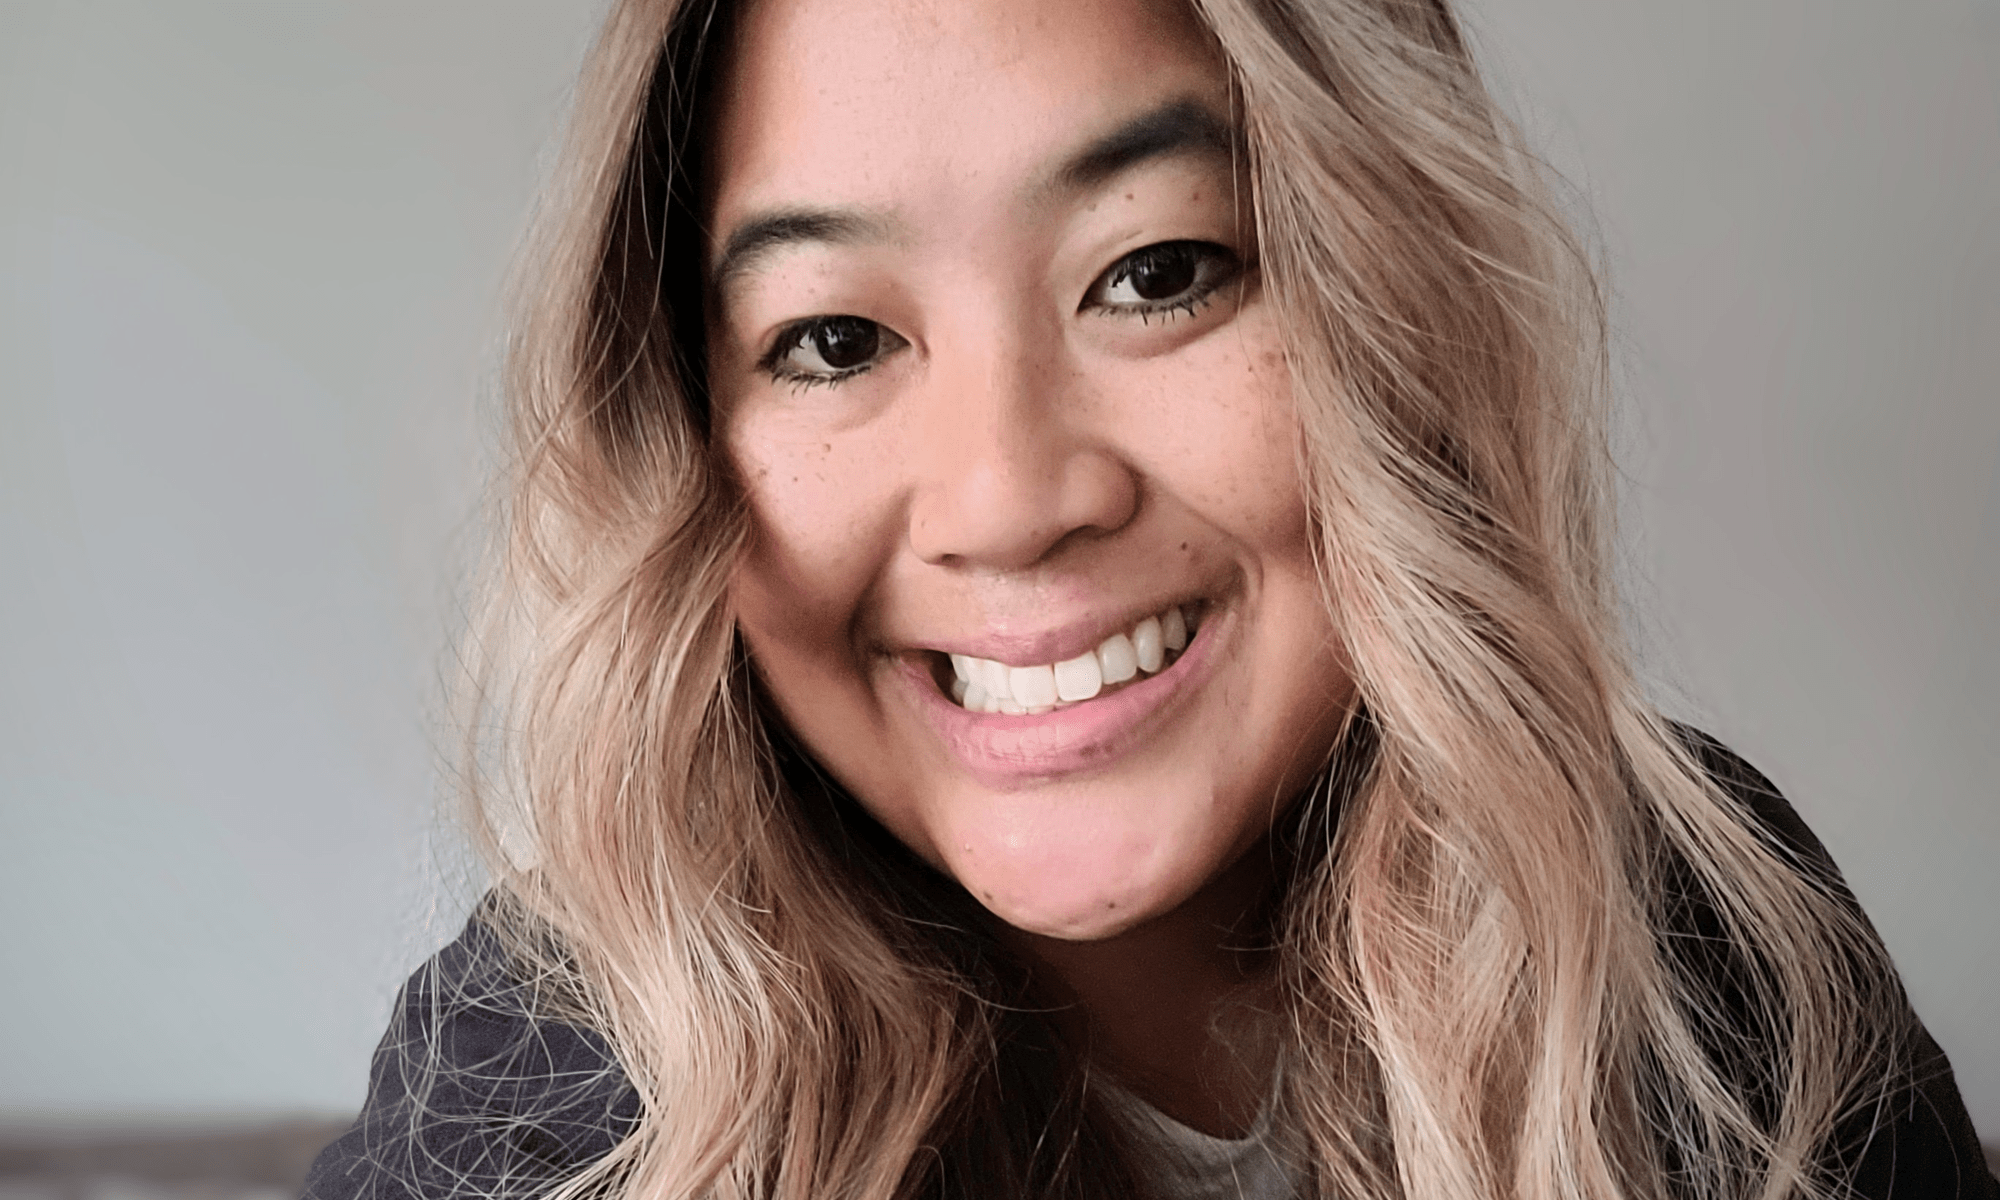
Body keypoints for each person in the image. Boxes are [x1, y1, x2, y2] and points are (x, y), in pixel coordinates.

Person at [305, 0, 1995, 1197]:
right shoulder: (529, 1097)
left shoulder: (1712, 947)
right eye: (833, 339)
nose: (1008, 499)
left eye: (1157, 272)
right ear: (684, 445)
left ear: (1393, 309)